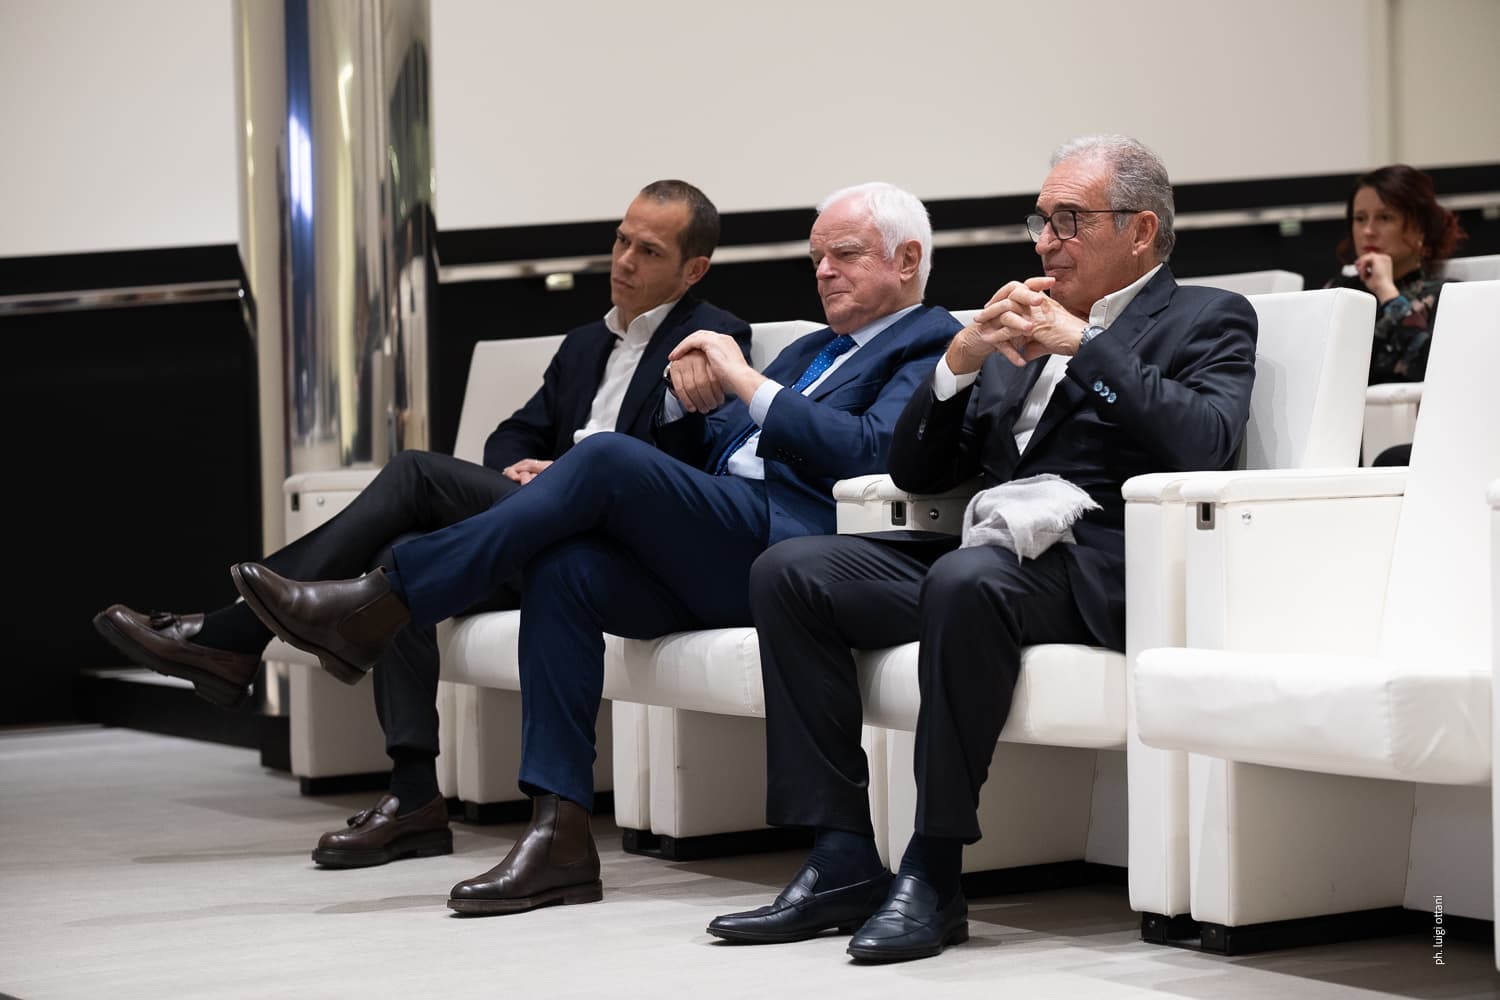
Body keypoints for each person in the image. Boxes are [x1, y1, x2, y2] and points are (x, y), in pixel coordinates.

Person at [225, 181, 959, 916]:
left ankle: (385, 602)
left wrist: (742, 379)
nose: (824, 270)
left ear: (906, 260)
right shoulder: (809, 349)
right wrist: (679, 397)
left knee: (603, 456)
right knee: (565, 568)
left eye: (845, 254)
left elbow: (873, 449)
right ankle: (561, 835)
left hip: (798, 551)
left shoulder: (929, 342)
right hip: (719, 539)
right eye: (817, 256)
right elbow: (713, 447)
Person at [708, 136, 1259, 963]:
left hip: (1099, 562)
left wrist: (1084, 345)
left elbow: (1206, 441)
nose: (1045, 242)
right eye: (1040, 221)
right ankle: (840, 854)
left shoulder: (1208, 316)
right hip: (990, 552)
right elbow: (918, 473)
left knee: (967, 580)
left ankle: (933, 870)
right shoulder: (1016, 323)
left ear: (1141, 230)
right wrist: (957, 365)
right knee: (793, 572)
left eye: (1068, 221)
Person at [93, 179, 751, 868]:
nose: (624, 260)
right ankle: (413, 800)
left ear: (693, 269)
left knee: (415, 473)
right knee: (402, 553)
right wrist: (522, 471)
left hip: (620, 548)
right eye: (620, 240)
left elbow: (690, 474)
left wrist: (567, 474)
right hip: (539, 529)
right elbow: (512, 433)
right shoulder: (585, 344)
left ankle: (232, 635)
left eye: (649, 251)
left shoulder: (713, 341)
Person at [1325, 164, 1467, 466]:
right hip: (1338, 430)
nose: (1368, 230)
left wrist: (1388, 293)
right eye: (1360, 218)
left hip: (1410, 435)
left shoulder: (1447, 294)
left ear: (1419, 227)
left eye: (1385, 218)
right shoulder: (1339, 291)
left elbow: (1434, 371)